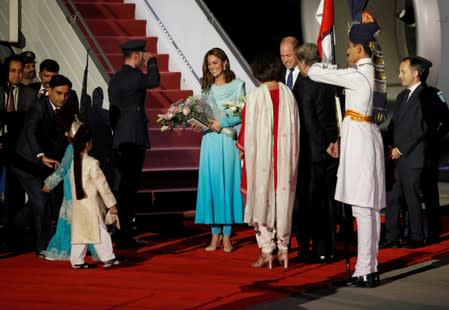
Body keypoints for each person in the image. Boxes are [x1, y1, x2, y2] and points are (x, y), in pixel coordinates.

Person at [308, 21, 386, 287]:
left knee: (363, 210)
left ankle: (365, 270)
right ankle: (369, 267)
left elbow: (316, 73)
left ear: (361, 49)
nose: (348, 52)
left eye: (351, 48)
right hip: (366, 136)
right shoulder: (371, 70)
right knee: (370, 210)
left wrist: (324, 62)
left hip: (360, 140)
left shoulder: (357, 75)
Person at [237, 51, 300, 269]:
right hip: (283, 160)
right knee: (282, 200)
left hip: (262, 160)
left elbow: (245, 130)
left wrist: (241, 148)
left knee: (261, 199)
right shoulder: (288, 94)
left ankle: (267, 250)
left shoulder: (254, 97)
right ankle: (283, 249)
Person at [12, 74, 76, 258]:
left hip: (48, 162)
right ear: (48, 91)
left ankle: (12, 229)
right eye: (59, 93)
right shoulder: (38, 107)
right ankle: (44, 248)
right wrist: (41, 156)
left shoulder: (68, 107)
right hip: (26, 162)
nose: (63, 97)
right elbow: (30, 132)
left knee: (35, 205)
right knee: (42, 200)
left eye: (66, 94)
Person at [108, 39, 160, 248]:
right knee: (130, 188)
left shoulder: (116, 78)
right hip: (133, 138)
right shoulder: (135, 76)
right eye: (143, 55)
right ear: (137, 55)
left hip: (120, 137)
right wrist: (153, 61)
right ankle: (124, 235)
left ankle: (121, 232)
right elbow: (153, 80)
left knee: (123, 187)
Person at [194, 47, 245, 252]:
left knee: (227, 185)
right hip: (210, 142)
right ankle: (214, 236)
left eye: (215, 62)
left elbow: (241, 114)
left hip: (227, 141)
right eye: (209, 64)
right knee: (213, 185)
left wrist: (221, 123)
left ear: (225, 63)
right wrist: (197, 121)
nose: (212, 67)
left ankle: (227, 236)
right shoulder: (206, 89)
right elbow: (204, 114)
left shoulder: (237, 86)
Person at [295, 43, 339, 263]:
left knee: (315, 203)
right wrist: (335, 141)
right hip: (333, 149)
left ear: (303, 63)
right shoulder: (329, 77)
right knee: (330, 201)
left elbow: (310, 123)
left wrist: (324, 145)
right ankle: (332, 246)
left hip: (314, 153)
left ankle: (320, 249)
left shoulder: (304, 84)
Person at [382, 57, 431, 249]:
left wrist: (401, 149)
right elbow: (395, 125)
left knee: (412, 197)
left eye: (403, 71)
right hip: (395, 157)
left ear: (415, 73)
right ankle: (391, 236)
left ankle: (416, 237)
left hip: (412, 156)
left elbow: (423, 127)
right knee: (392, 197)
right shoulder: (402, 96)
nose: (399, 75)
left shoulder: (424, 96)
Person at [59, 120, 121, 269]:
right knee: (100, 233)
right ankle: (108, 258)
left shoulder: (73, 163)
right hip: (91, 206)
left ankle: (77, 260)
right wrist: (111, 204)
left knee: (80, 234)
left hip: (78, 205)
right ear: (87, 144)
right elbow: (103, 186)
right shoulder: (92, 163)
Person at [42, 115, 97, 260]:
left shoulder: (72, 148)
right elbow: (65, 168)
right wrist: (51, 183)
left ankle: (68, 249)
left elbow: (64, 168)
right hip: (75, 190)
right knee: (74, 223)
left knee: (69, 223)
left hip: (74, 191)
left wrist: (50, 183)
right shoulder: (76, 148)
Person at [0, 54, 38, 252]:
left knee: (15, 193)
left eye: (19, 70)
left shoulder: (29, 94)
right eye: (13, 70)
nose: (16, 74)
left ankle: (13, 236)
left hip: (18, 151)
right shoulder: (0, 90)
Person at [280, 36, 312, 259]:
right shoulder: (280, 78)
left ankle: (304, 241)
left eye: (289, 56)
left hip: (306, 145)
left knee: (303, 198)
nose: (285, 60)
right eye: (282, 56)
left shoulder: (308, 76)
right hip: (286, 146)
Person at [416, 57, 449, 245]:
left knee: (429, 189)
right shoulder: (412, 94)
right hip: (419, 148)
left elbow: (446, 120)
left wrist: (434, 136)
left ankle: (433, 229)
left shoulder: (434, 94)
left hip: (428, 148)